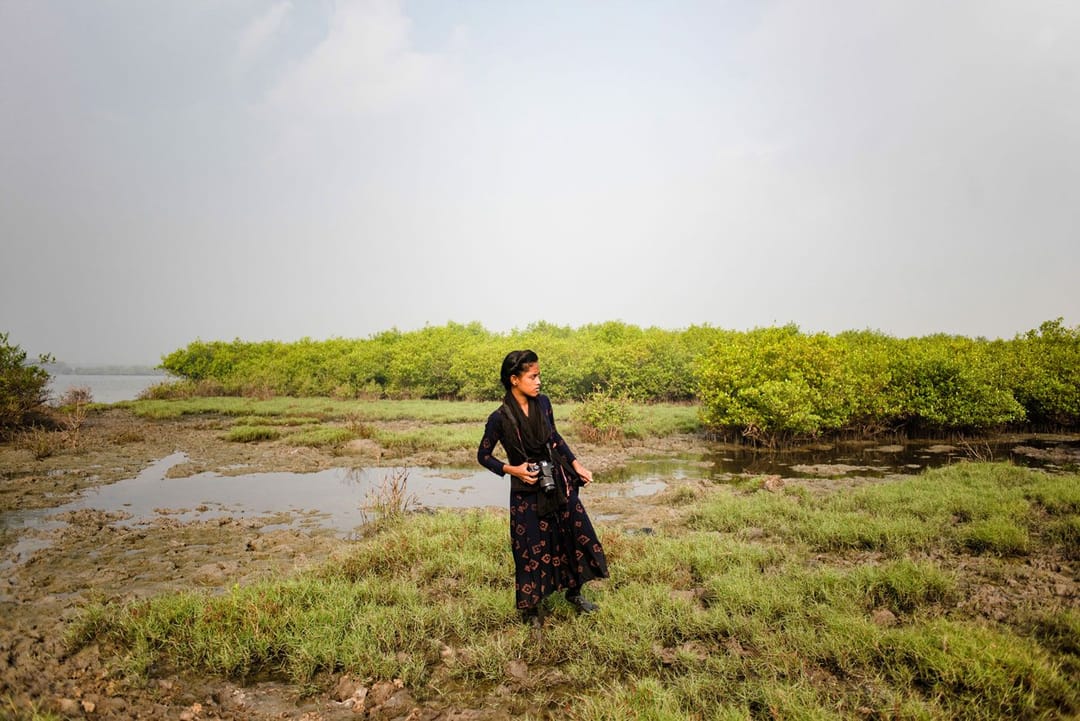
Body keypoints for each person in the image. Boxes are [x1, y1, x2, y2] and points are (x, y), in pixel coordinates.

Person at [477, 349, 609, 626]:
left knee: (574, 534)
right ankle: (531, 609)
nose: (538, 382)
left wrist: (577, 465)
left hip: (557, 478)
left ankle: (575, 593)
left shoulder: (544, 403)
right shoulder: (499, 418)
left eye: (539, 376)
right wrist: (513, 470)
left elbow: (555, 438)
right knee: (531, 548)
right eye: (533, 376)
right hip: (526, 489)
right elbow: (484, 456)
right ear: (514, 379)